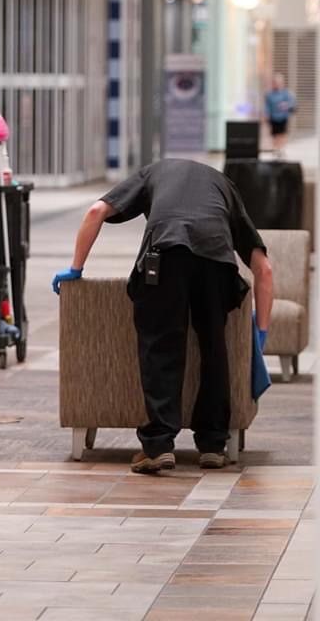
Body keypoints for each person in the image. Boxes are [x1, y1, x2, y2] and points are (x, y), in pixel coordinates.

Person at [52, 159, 273, 474]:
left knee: (161, 344)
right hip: (217, 260)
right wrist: (261, 333)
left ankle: (158, 446)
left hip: (165, 255)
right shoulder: (225, 185)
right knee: (213, 346)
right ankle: (213, 445)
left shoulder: (153, 172)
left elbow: (95, 212)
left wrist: (75, 269)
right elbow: (264, 269)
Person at [265, 73, 296, 154]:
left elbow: (292, 104)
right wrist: (266, 114)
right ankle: (276, 148)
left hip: (283, 117)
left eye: (278, 82)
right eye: (274, 82)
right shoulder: (269, 94)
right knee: (274, 134)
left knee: (282, 133)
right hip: (273, 117)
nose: (276, 84)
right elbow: (267, 106)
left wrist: (286, 105)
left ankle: (281, 148)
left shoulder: (286, 93)